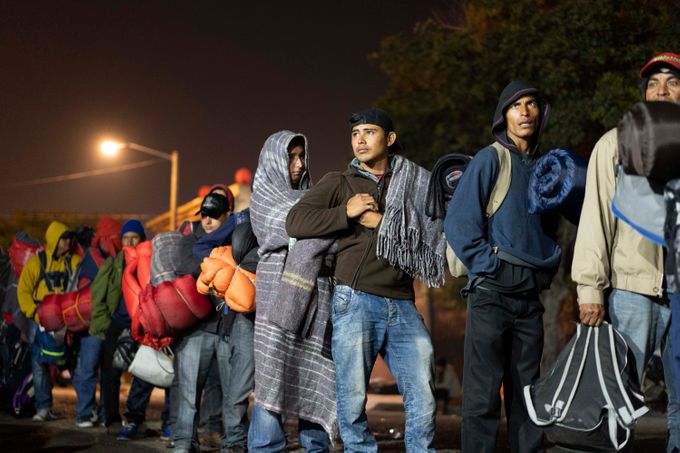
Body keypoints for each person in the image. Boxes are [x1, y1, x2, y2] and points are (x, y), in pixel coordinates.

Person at [286, 109, 445, 452]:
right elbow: (295, 221)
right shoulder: (340, 182)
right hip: (355, 298)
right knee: (353, 396)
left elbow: (432, 232)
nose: (360, 140)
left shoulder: (414, 182)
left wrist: (383, 222)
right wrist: (347, 211)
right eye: (355, 133)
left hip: (402, 302)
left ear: (389, 139)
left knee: (423, 391)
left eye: (369, 132)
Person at [445, 81, 561, 453]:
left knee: (528, 400)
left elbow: (550, 230)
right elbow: (458, 224)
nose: (525, 112)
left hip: (529, 300)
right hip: (491, 296)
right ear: (503, 116)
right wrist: (490, 266)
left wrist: (544, 270)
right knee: (482, 400)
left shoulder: (547, 168)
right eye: (515, 106)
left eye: (531, 104)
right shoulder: (490, 159)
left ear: (541, 113)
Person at [572, 51, 680, 451]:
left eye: (672, 82)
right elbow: (596, 216)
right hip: (633, 290)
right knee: (618, 397)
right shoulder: (615, 142)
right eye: (653, 83)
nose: (661, 90)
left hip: (678, 291)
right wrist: (589, 288)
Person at [248, 131, 337, 452]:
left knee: (315, 376)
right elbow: (289, 228)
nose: (299, 164)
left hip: (318, 301)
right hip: (275, 301)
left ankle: (316, 447)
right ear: (275, 159)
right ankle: (265, 447)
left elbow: (333, 242)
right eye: (291, 157)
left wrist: (323, 227)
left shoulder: (317, 198)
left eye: (302, 156)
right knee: (272, 373)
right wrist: (332, 222)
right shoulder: (263, 197)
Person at [174, 189, 253, 453]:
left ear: (227, 215)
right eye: (204, 214)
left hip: (230, 327)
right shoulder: (192, 239)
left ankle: (234, 442)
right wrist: (218, 264)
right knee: (189, 393)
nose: (207, 220)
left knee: (234, 392)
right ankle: (184, 442)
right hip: (197, 330)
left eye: (214, 215)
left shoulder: (239, 239)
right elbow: (186, 267)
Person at [17, 220, 81, 422]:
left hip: (65, 319)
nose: (67, 242)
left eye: (69, 239)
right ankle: (43, 407)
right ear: (54, 239)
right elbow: (24, 291)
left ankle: (86, 409)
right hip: (39, 320)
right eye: (64, 239)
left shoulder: (74, 262)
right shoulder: (36, 262)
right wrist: (34, 313)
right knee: (39, 363)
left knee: (72, 361)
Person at [72, 216, 121, 428]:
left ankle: (102, 414)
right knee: (89, 370)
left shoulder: (107, 257)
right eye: (115, 238)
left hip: (106, 325)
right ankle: (85, 413)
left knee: (105, 373)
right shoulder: (93, 258)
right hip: (91, 326)